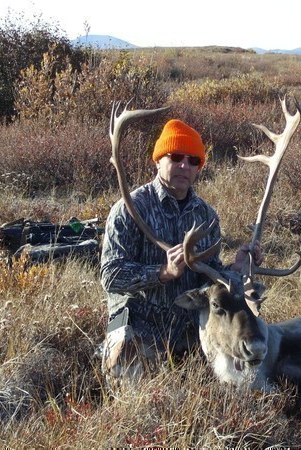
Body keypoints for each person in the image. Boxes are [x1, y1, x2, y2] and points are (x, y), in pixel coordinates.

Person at [100, 118, 262, 378]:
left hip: (186, 325)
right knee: (125, 378)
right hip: (135, 320)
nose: (184, 166)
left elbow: (209, 276)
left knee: (231, 377)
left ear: (199, 168)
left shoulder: (206, 215)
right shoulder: (129, 209)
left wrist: (236, 268)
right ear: (158, 160)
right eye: (175, 157)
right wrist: (162, 272)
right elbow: (110, 276)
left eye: (193, 160)